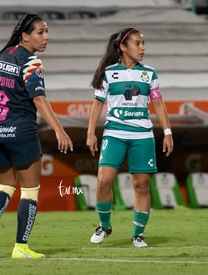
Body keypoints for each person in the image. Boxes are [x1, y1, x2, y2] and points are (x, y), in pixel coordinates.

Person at [0, 13, 73, 259]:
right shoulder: (31, 62)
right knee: (29, 191)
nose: (46, 37)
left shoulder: (1, 58)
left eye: (47, 31)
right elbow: (39, 99)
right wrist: (59, 129)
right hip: (21, 131)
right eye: (40, 32)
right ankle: (21, 247)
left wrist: (4, 115)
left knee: (4, 185)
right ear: (25, 36)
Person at [86, 27, 174, 248]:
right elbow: (97, 103)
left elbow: (159, 104)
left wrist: (167, 132)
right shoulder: (108, 73)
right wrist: (90, 133)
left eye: (143, 43)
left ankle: (138, 234)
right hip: (114, 133)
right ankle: (104, 225)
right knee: (103, 181)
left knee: (141, 186)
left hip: (142, 135)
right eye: (137, 43)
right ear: (123, 47)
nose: (142, 48)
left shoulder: (149, 74)